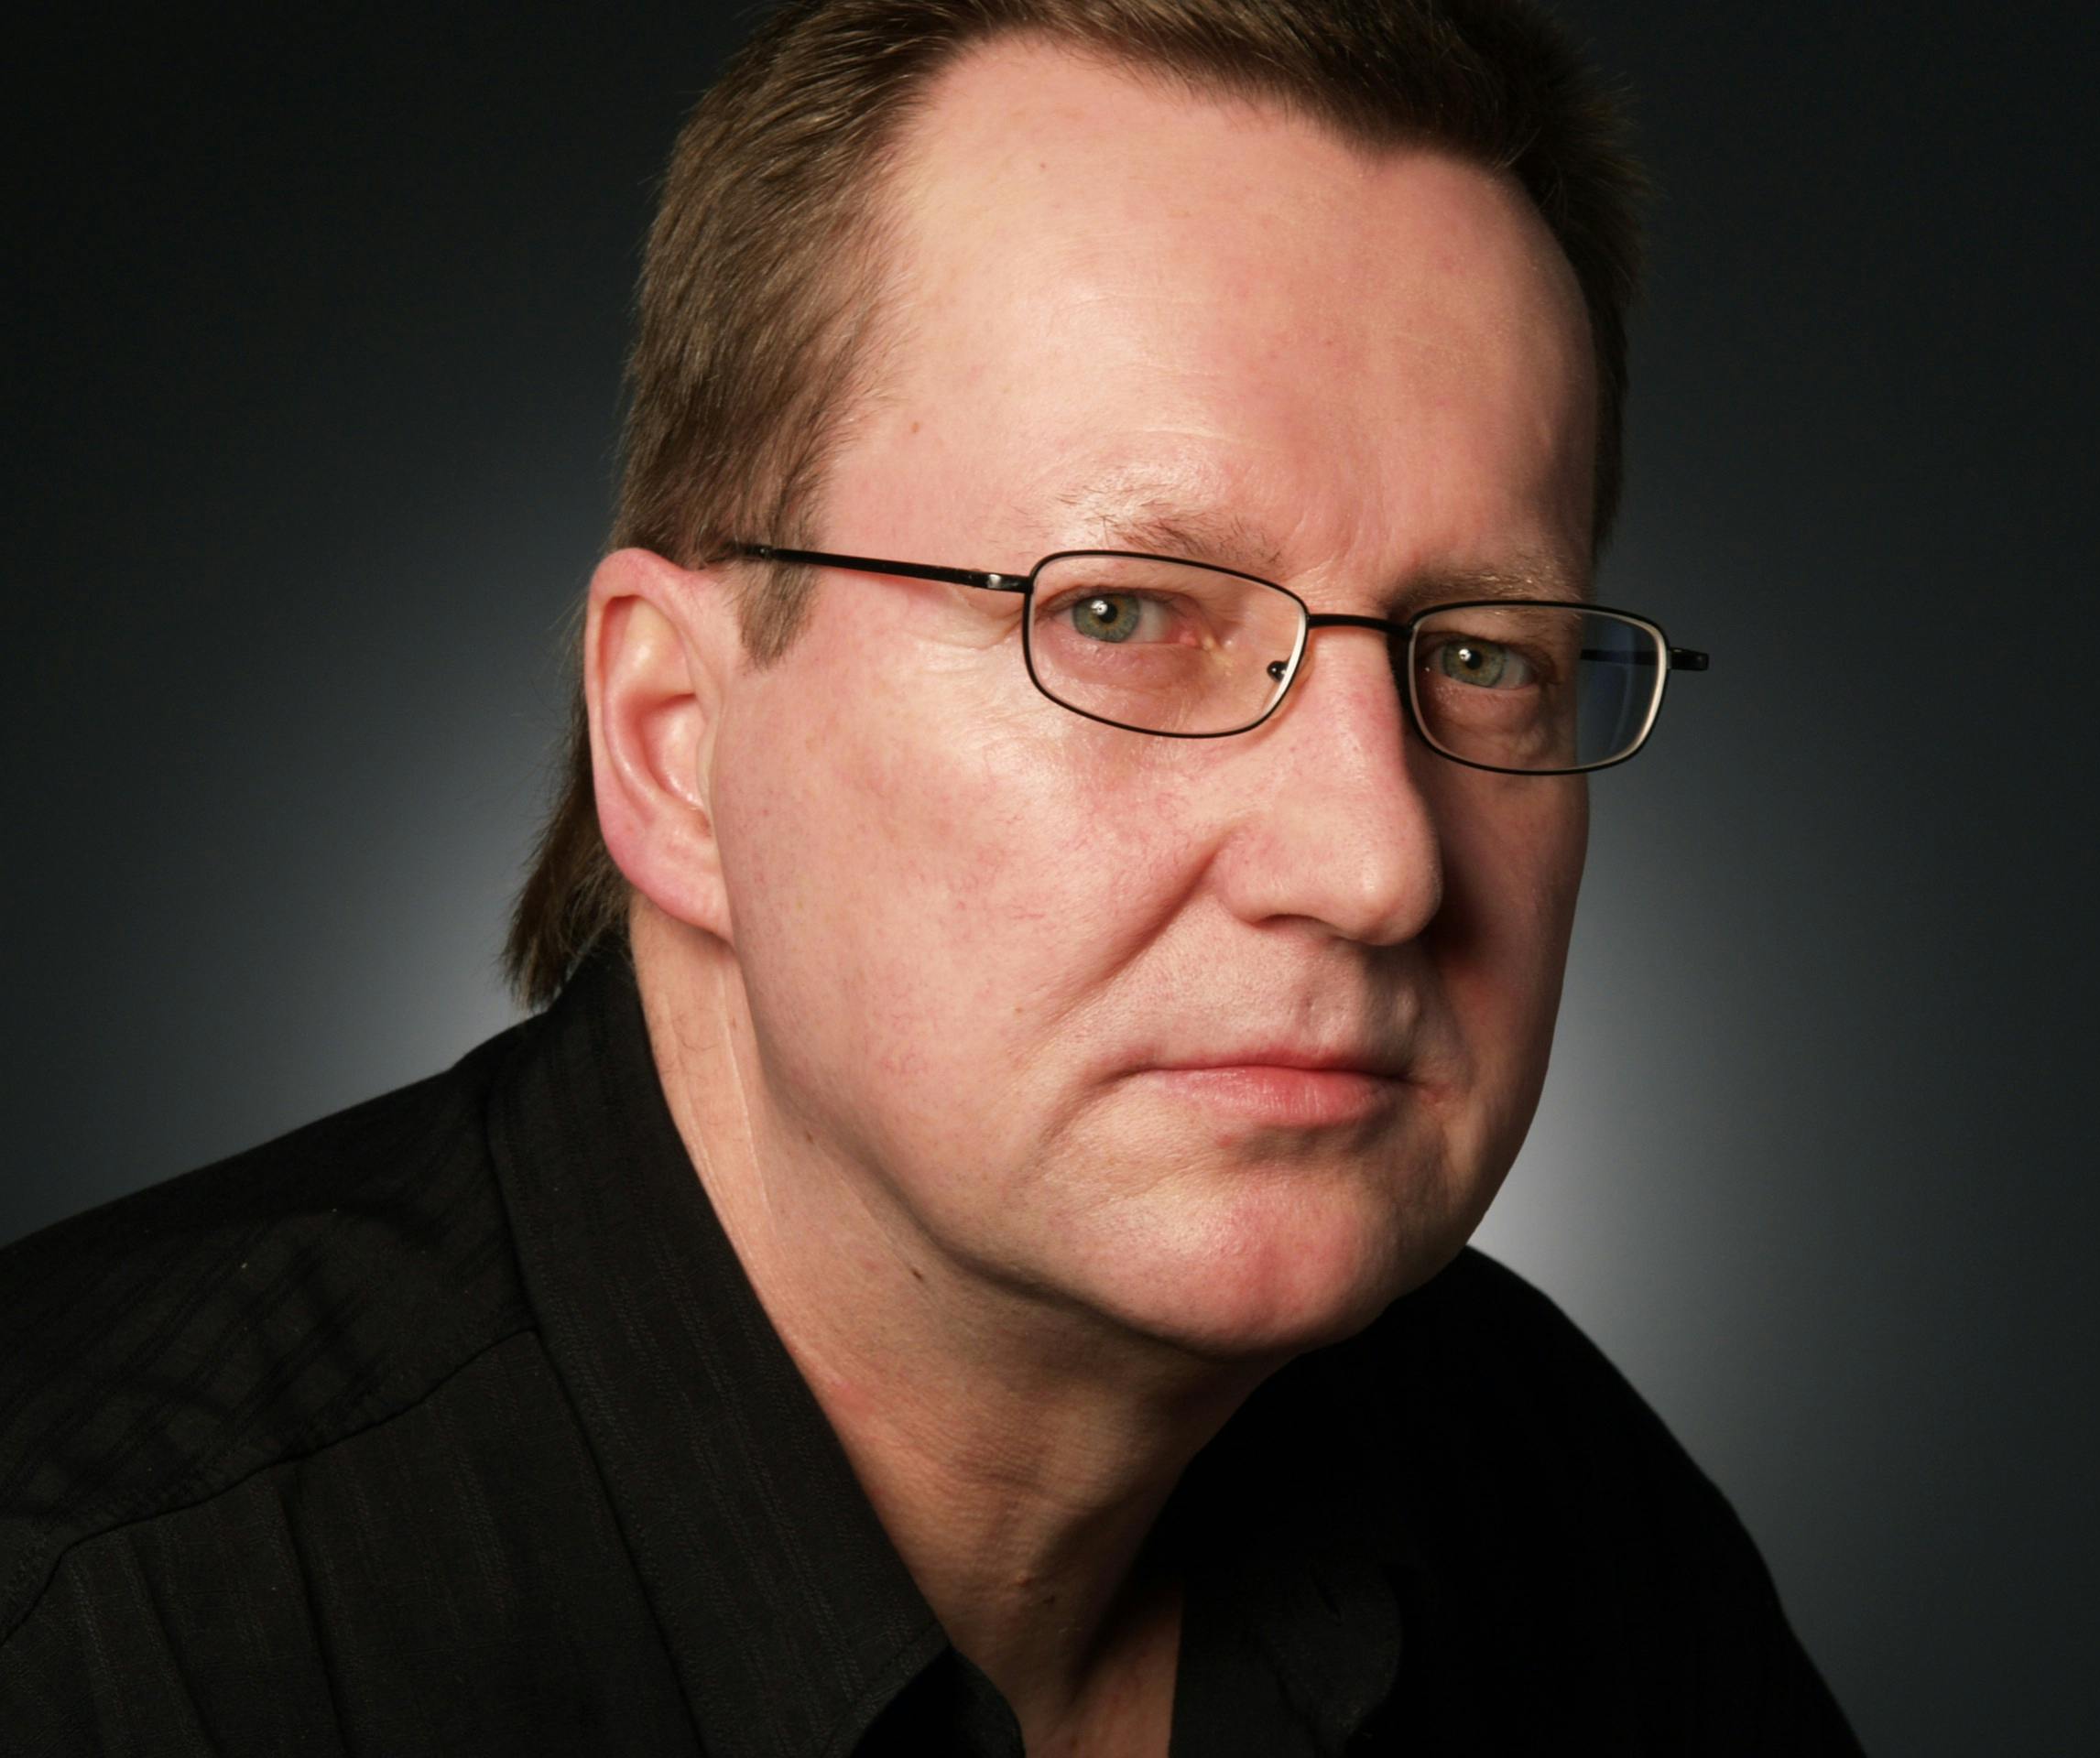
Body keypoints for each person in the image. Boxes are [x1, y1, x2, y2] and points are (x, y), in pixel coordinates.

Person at [0, 2, 1861, 1752]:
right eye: (1126, 616)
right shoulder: (93, 1630)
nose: (1375, 864)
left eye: (1480, 653)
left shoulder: (1557, 1515)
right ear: (677, 741)